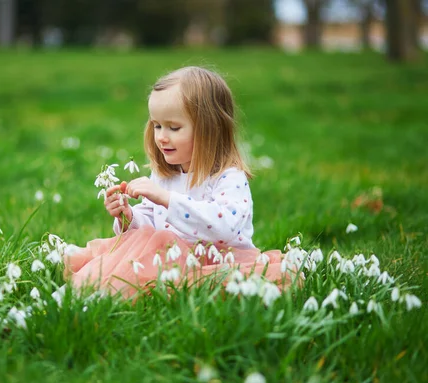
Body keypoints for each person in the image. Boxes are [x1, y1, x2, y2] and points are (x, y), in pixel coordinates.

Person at [65, 66, 293, 298]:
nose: (162, 136)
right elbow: (151, 226)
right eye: (156, 125)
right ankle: (85, 299)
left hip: (216, 266)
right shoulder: (165, 175)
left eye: (174, 127)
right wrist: (128, 216)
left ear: (210, 130)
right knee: (132, 255)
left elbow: (223, 228)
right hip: (170, 263)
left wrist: (167, 199)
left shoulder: (229, 178)